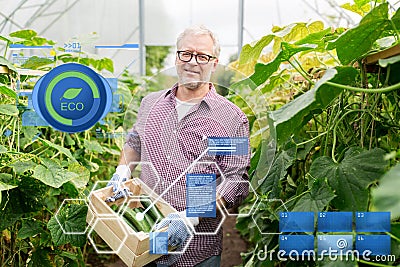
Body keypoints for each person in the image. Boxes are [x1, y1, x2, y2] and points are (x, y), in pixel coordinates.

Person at [108, 25, 250, 267]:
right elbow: (134, 143)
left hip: (197, 251)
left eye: (202, 56)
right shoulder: (150, 103)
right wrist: (122, 172)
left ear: (214, 63)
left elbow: (234, 180)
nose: (192, 62)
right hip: (147, 240)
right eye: (186, 53)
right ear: (176, 57)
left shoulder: (230, 118)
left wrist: (190, 217)